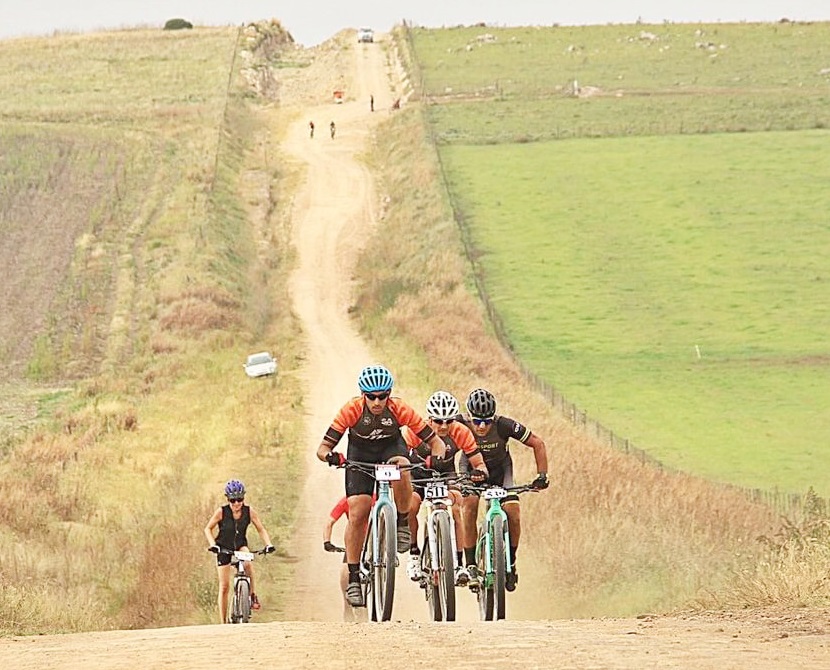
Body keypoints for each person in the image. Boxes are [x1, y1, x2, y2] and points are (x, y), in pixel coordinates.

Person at [316, 364, 447, 608]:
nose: (377, 402)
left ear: (389, 395)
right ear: (362, 395)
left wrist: (438, 458)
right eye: (372, 397)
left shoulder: (400, 409)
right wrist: (332, 457)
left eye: (382, 396)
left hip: (391, 448)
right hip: (359, 454)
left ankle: (402, 522)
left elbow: (435, 441)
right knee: (358, 512)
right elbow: (322, 449)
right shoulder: (351, 410)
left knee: (402, 465)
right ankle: (354, 577)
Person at [459, 388, 549, 592]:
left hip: (501, 473)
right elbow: (436, 433)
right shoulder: (459, 423)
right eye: (477, 421)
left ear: (494, 418)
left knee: (514, 513)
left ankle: (511, 561)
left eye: (487, 421)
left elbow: (537, 443)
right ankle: (471, 564)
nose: (482, 426)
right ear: (468, 417)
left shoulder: (504, 425)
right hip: (471, 472)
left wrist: (542, 476)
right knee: (470, 505)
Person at [403, 390, 488, 586]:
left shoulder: (460, 431)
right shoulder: (416, 430)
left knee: (457, 506)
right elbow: (402, 456)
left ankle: (458, 564)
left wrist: (480, 472)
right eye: (438, 421)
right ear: (429, 419)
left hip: (445, 474)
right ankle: (414, 554)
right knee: (412, 506)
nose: (444, 426)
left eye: (449, 421)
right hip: (419, 474)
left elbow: (477, 461)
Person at [204, 479, 275, 624]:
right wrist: (213, 544)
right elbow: (207, 529)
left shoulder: (249, 512)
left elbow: (260, 529)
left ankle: (252, 595)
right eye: (233, 500)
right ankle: (223, 622)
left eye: (240, 499)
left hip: (240, 545)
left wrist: (268, 544)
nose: (237, 504)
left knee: (248, 564)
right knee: (224, 586)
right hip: (223, 548)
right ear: (228, 499)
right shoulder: (222, 512)